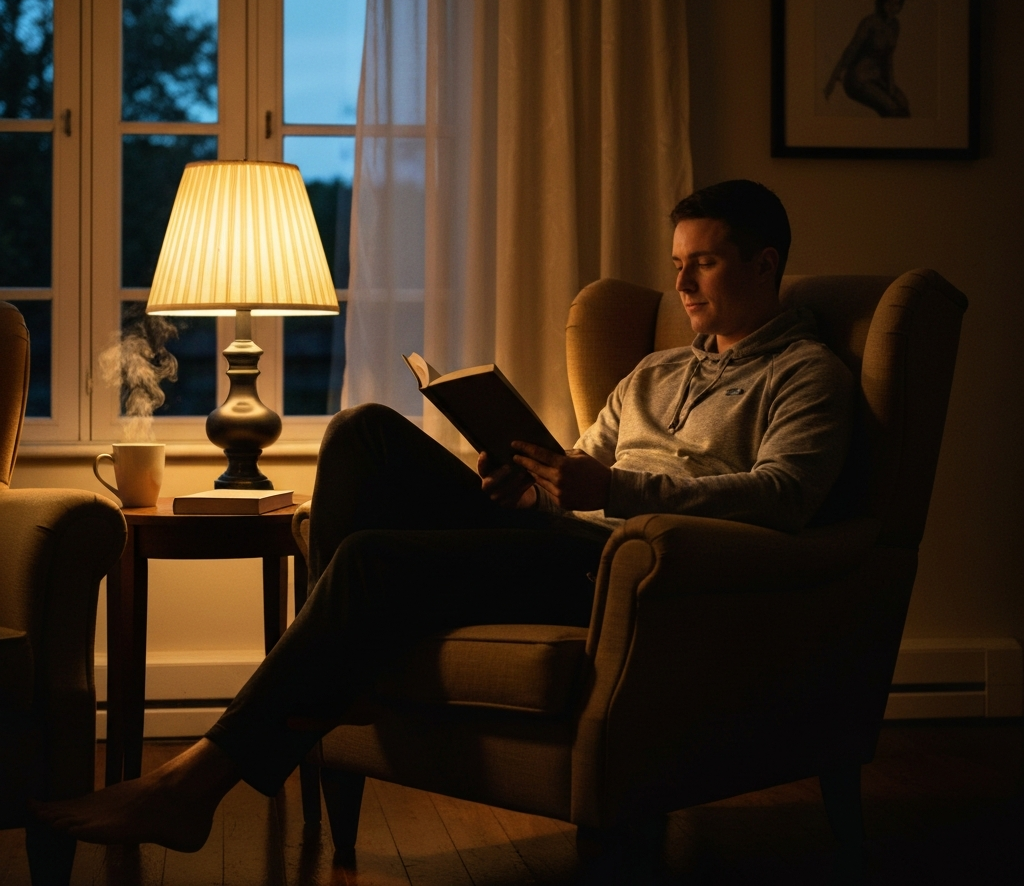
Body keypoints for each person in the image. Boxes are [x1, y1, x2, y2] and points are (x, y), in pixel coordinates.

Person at [35, 179, 853, 852]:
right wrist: (527, 480)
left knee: (368, 559)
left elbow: (786, 495)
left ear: (764, 264)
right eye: (676, 265)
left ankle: (193, 785)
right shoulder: (654, 372)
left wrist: (615, 491)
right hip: (566, 537)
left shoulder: (805, 374)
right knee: (363, 431)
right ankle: (334, 681)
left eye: (703, 264)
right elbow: (581, 466)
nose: (681, 285)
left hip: (633, 567)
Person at [824, 0, 910, 118]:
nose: (893, 8)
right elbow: (850, 51)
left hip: (877, 77)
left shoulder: (895, 25)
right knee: (892, 109)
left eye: (897, 4)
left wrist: (891, 85)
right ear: (881, 2)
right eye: (889, 3)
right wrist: (832, 81)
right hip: (858, 79)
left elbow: (888, 58)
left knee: (904, 105)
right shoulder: (869, 23)